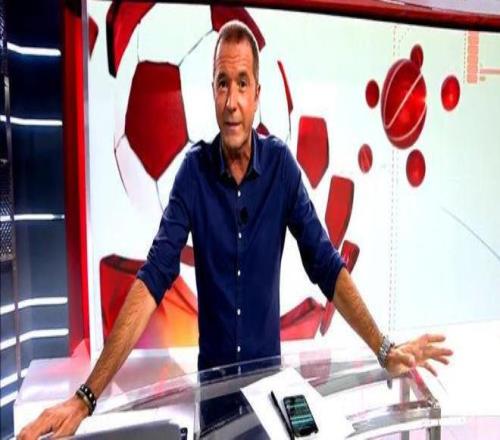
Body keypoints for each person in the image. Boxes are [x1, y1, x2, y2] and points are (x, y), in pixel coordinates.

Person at [18, 20, 452, 439]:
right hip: (215, 406)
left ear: (257, 94)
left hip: (269, 406)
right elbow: (153, 279)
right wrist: (85, 398)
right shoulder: (193, 172)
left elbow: (325, 264)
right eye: (223, 84)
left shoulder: (281, 167)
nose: (231, 102)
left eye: (242, 84)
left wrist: (383, 348)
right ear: (212, 91)